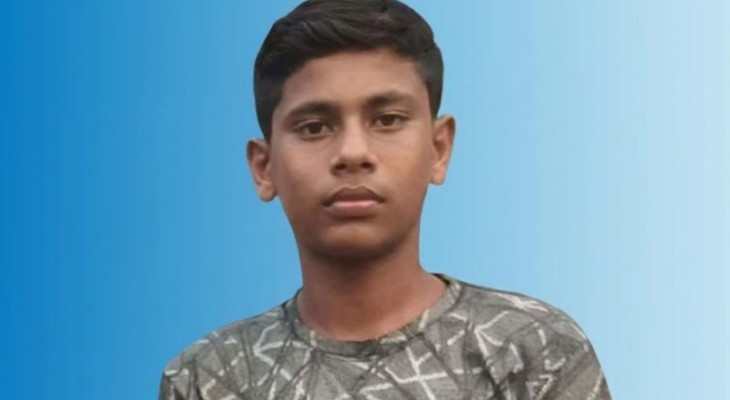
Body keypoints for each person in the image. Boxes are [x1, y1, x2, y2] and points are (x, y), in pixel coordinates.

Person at [158, 0, 611, 399]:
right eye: (314, 127)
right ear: (264, 167)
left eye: (388, 119)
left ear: (438, 149)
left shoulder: (534, 349)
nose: (353, 152)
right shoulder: (210, 377)